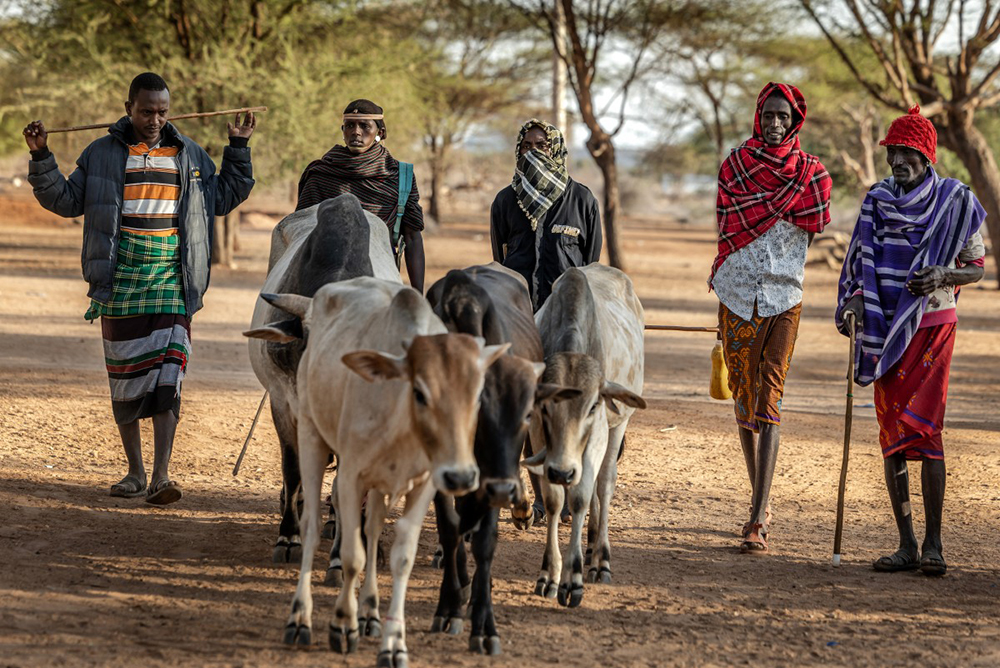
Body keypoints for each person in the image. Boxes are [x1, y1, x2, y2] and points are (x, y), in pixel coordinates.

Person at [23, 72, 256, 505]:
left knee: (170, 375)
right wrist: (41, 157)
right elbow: (66, 201)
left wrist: (238, 148)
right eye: (147, 111)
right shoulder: (101, 154)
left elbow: (224, 197)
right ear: (129, 107)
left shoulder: (190, 156)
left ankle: (162, 476)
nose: (154, 119)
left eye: (162, 111)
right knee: (126, 378)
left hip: (173, 279)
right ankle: (134, 472)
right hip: (121, 281)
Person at [836, 106, 986, 577]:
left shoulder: (954, 202)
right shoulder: (876, 200)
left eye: (908, 151)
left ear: (927, 155)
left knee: (926, 428)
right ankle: (906, 544)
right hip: (884, 329)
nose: (899, 159)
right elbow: (860, 262)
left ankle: (935, 544)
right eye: (894, 151)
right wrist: (857, 299)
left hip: (933, 325)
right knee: (893, 435)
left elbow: (977, 267)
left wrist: (944, 272)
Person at [710, 82, 832, 554]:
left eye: (785, 116)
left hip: (785, 296)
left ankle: (758, 516)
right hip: (736, 293)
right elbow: (727, 225)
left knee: (770, 398)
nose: (776, 123)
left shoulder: (812, 175)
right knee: (743, 399)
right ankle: (759, 496)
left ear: (796, 119)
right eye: (770, 115)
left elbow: (816, 225)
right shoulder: (735, 167)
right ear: (758, 115)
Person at [296, 99, 425, 292]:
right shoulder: (321, 174)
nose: (356, 132)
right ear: (343, 130)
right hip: (324, 273)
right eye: (350, 126)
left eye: (364, 126)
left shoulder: (400, 176)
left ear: (379, 133)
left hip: (380, 274)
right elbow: (301, 232)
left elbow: (412, 237)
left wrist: (418, 295)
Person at [490, 119, 602, 311]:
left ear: (556, 150)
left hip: (567, 310)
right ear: (519, 151)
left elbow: (591, 262)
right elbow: (500, 257)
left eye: (542, 146)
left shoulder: (582, 199)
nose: (534, 151)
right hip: (517, 309)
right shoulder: (505, 200)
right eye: (527, 146)